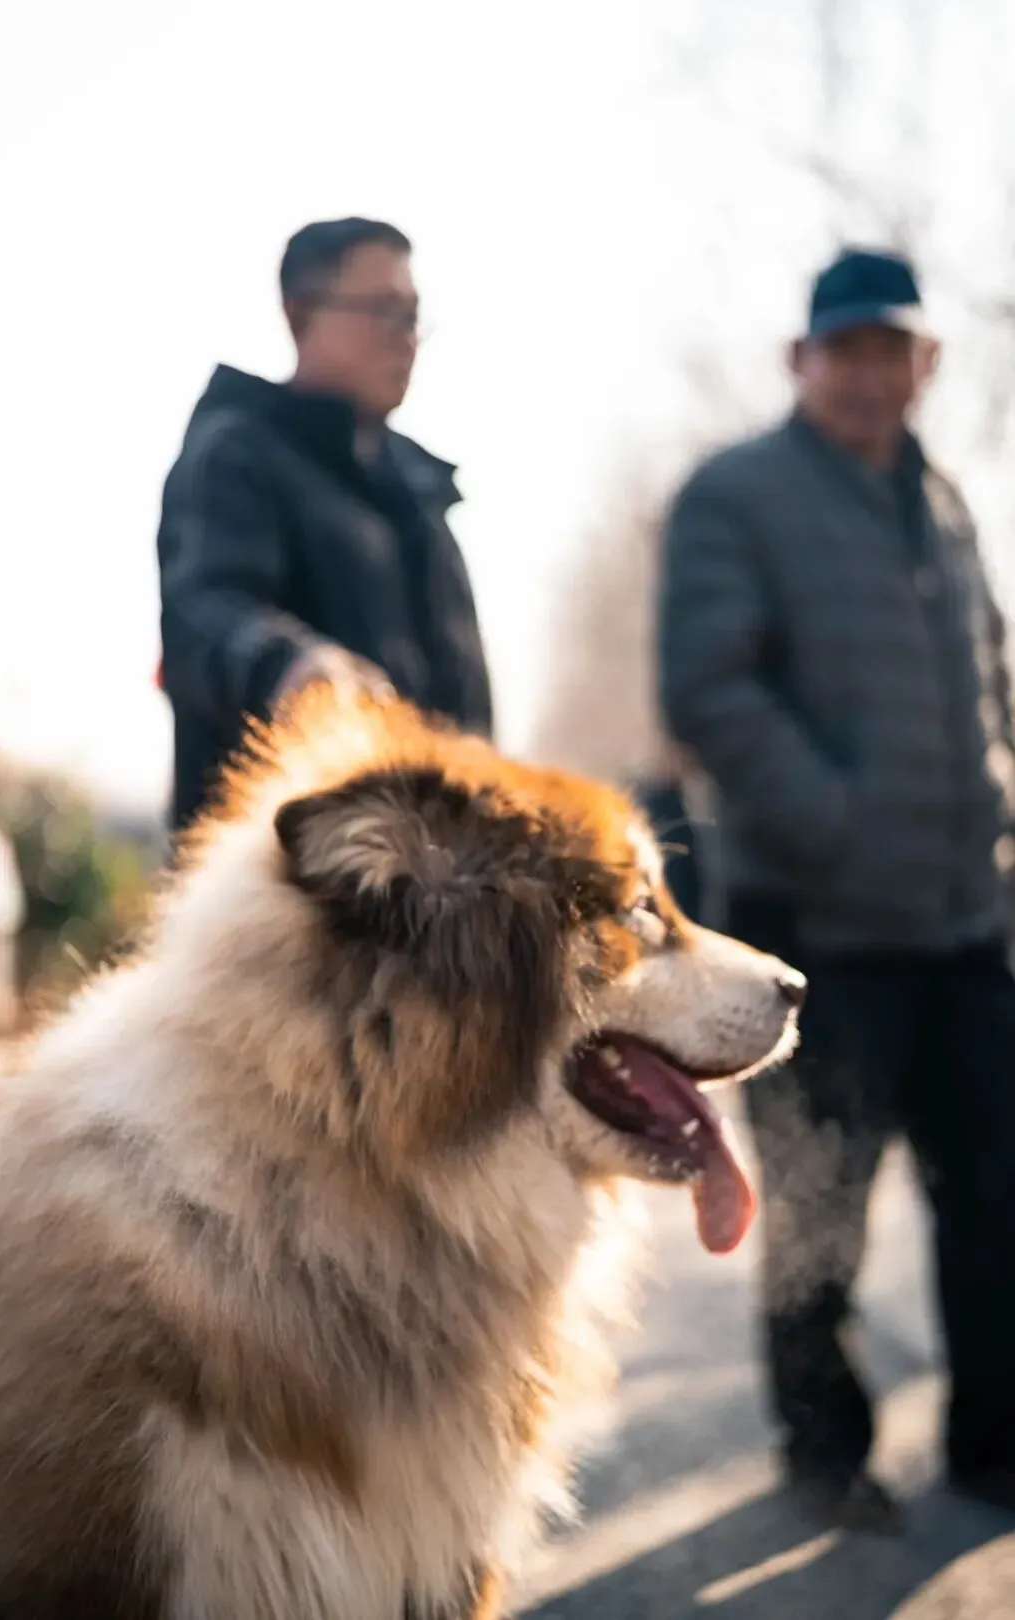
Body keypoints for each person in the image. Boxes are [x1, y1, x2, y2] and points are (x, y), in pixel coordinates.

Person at [659, 247, 1015, 1533]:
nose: (871, 376)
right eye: (846, 350)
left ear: (926, 364)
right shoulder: (735, 498)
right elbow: (709, 690)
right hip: (820, 929)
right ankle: (824, 1452)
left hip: (969, 923)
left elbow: (992, 677)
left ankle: (993, 1440)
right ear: (799, 361)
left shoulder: (952, 502)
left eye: (893, 352)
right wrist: (841, 819)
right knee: (818, 1209)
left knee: (994, 1195)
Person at [157, 217, 493, 830]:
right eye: (384, 311)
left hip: (431, 867)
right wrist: (295, 668)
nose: (406, 338)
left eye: (414, 316)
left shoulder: (419, 492)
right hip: (288, 865)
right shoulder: (238, 453)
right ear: (300, 313)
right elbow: (202, 612)